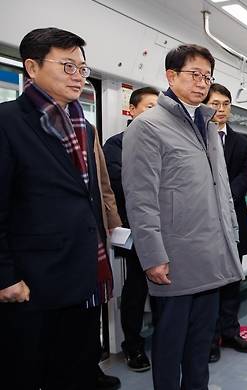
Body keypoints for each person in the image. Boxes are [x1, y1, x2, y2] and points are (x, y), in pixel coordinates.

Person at [0, 27, 121, 390]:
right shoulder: (7, 122)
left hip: (83, 273)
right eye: (68, 66)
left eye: (82, 69)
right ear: (32, 67)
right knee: (30, 373)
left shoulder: (83, 125)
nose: (79, 77)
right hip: (33, 280)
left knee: (77, 370)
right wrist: (4, 275)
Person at [122, 44, 243, 390]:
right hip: (174, 255)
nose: (203, 82)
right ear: (171, 76)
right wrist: (153, 256)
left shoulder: (206, 124)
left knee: (202, 341)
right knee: (171, 340)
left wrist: (230, 234)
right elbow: (141, 198)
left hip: (211, 250)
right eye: (195, 74)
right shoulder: (147, 127)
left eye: (208, 76)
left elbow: (219, 189)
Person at [103, 86, 159, 372]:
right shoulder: (116, 145)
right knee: (137, 288)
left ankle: (164, 339)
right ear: (133, 110)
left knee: (166, 287)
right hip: (136, 229)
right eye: (149, 106)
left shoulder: (164, 142)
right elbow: (121, 186)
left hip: (166, 229)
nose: (154, 112)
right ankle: (133, 346)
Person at [203, 83, 247, 362]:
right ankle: (210, 338)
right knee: (211, 281)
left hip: (233, 216)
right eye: (215, 104)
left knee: (233, 279)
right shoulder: (196, 136)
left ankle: (230, 331)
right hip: (205, 220)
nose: (221, 110)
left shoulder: (240, 141)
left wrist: (228, 195)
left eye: (225, 104)